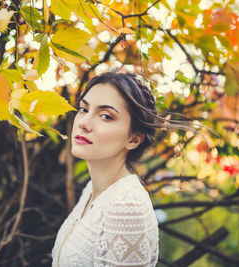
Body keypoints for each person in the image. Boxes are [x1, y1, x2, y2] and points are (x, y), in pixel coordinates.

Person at [52, 72, 159, 267]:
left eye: (106, 116)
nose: (83, 123)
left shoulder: (127, 207)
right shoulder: (92, 190)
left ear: (134, 139)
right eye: (84, 109)